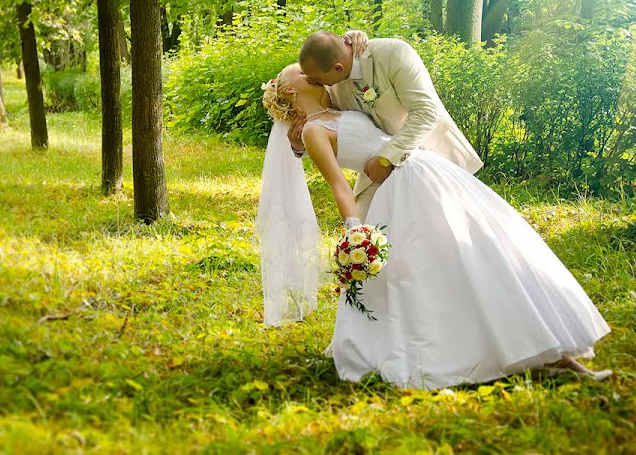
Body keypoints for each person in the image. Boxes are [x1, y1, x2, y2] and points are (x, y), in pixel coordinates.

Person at [257, 63, 612, 389]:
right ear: (289, 90)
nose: (310, 73)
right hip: (398, 193)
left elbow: (349, 68)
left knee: (487, 250)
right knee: (435, 271)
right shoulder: (315, 132)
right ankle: (474, 349)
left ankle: (553, 352)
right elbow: (337, 182)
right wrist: (354, 227)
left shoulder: (341, 104)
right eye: (301, 74)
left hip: (429, 172)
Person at [289, 30, 482, 222]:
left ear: (338, 68)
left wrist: (385, 159)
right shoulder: (332, 85)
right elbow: (333, 132)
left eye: (316, 78)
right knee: (368, 241)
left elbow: (426, 112)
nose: (312, 82)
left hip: (430, 156)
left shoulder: (394, 53)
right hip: (377, 178)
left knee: (447, 230)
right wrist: (299, 146)